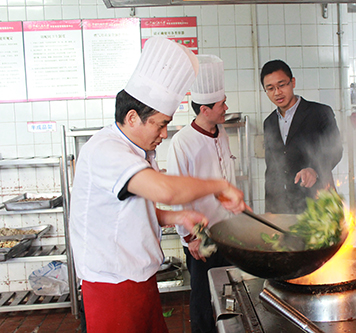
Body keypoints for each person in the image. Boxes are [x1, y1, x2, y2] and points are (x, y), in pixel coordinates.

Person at [69, 37, 246, 333]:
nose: (164, 134)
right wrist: (218, 185)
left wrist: (176, 216)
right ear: (132, 117)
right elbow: (165, 190)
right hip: (112, 287)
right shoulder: (105, 150)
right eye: (161, 124)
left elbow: (136, 210)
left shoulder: (139, 151)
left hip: (140, 280)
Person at [166, 54, 234, 333]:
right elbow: (175, 192)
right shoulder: (182, 142)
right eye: (221, 104)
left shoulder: (222, 133)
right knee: (204, 298)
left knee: (228, 292)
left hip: (228, 229)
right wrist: (191, 237)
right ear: (204, 110)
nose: (226, 107)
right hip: (201, 235)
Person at [261, 59, 343, 214]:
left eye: (282, 85)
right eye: (270, 88)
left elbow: (336, 150)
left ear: (292, 82)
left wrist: (314, 169)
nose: (277, 92)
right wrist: (270, 210)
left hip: (317, 201)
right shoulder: (269, 122)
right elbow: (271, 169)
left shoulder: (319, 113)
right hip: (284, 207)